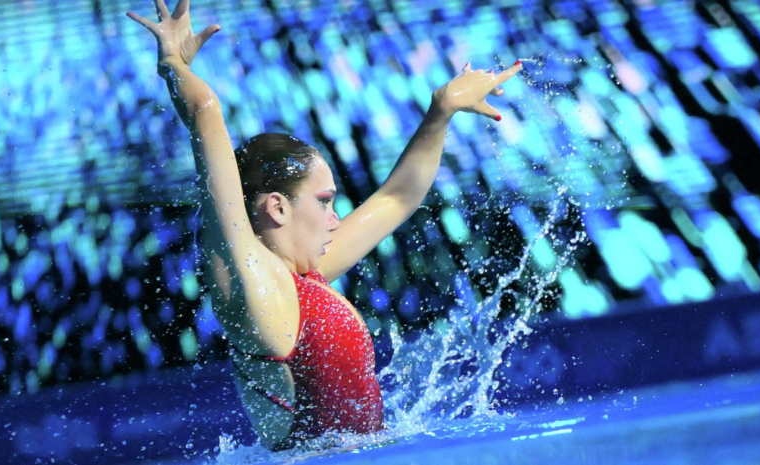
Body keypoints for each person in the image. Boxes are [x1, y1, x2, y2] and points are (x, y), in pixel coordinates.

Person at [127, 0, 522, 451]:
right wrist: (174, 64)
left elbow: (397, 198)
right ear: (277, 208)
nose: (336, 217)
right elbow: (206, 113)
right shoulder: (255, 286)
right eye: (324, 202)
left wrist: (441, 112)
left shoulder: (303, 282)